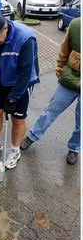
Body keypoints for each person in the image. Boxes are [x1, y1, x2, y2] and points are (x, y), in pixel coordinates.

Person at [0, 12, 40, 169]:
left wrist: (13, 98)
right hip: (1, 79)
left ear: (5, 28)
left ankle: (15, 150)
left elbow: (25, 73)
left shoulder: (24, 38)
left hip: (22, 82)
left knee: (17, 118)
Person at [20, 17, 80, 165]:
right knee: (50, 110)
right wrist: (60, 71)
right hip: (70, 78)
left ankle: (74, 148)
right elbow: (64, 50)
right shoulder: (76, 25)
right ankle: (32, 136)